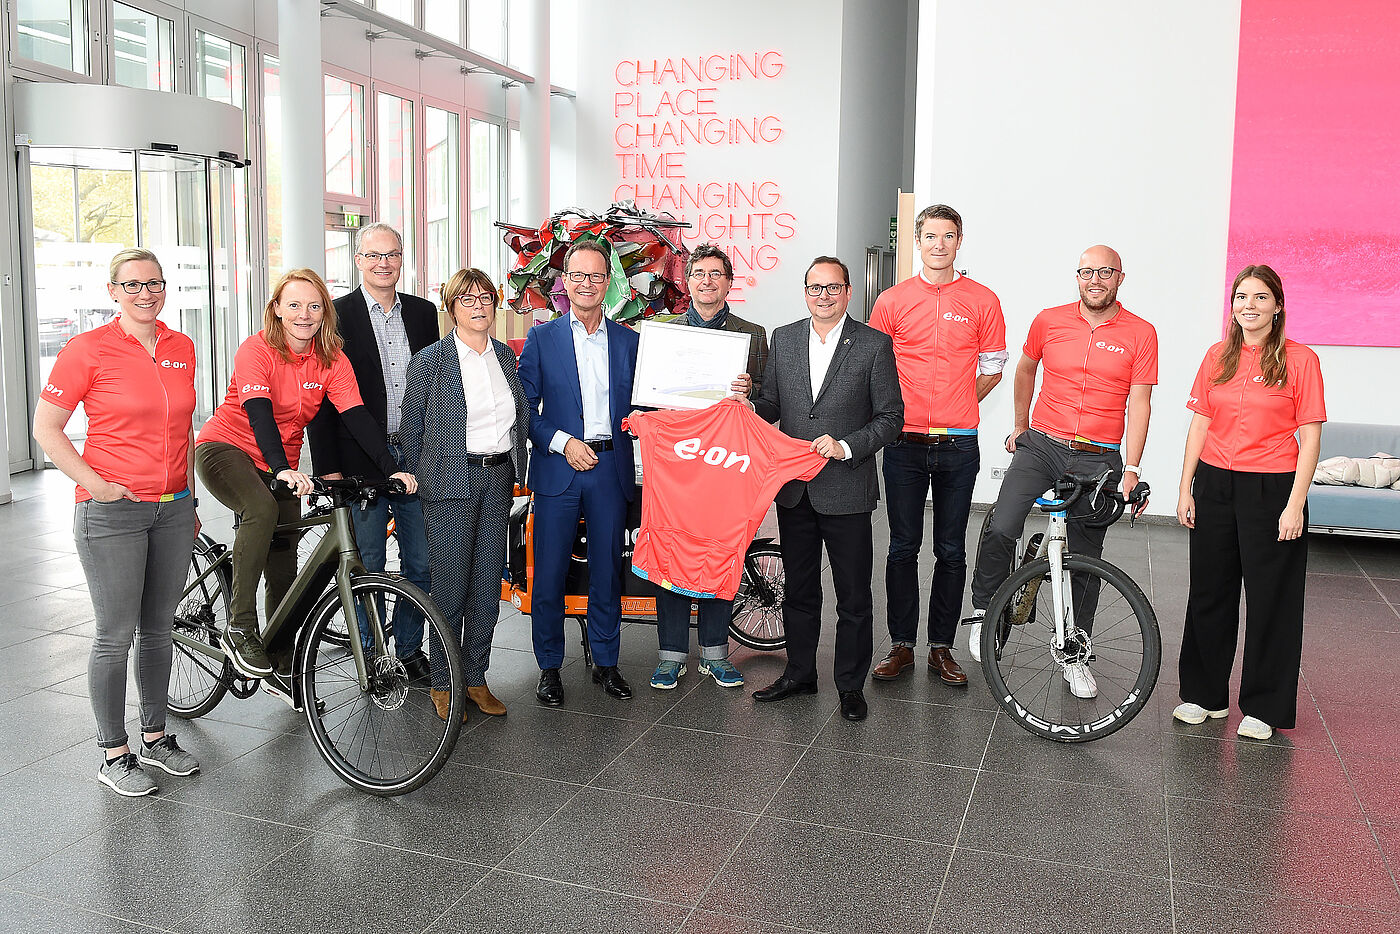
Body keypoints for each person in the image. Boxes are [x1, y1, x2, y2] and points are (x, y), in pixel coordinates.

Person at [195, 268, 417, 692]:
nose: (304, 314)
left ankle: (278, 657)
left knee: (283, 566)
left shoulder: (331, 358)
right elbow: (260, 416)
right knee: (259, 508)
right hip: (226, 448)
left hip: (282, 464)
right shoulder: (256, 350)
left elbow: (357, 418)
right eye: (294, 304)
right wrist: (280, 469)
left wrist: (392, 468)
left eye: (314, 306)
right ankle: (240, 628)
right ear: (277, 309)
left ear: (325, 314)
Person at [33, 248, 201, 796]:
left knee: (159, 629)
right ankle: (114, 751)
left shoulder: (181, 347)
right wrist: (98, 485)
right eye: (133, 286)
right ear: (113, 292)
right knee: (115, 634)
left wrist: (191, 501)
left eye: (154, 284)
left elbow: (184, 434)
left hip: (172, 508)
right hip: (112, 511)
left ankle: (155, 737)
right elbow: (48, 429)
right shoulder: (87, 351)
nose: (146, 293)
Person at [967, 246, 1156, 700]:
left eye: (1105, 272)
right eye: (1087, 271)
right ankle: (983, 612)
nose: (1096, 279)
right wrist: (1019, 425)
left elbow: (1141, 403)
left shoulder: (1141, 333)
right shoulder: (1049, 320)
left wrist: (1131, 468)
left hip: (1099, 458)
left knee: (1086, 560)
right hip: (1044, 445)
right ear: (1077, 277)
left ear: (1120, 278)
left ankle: (1075, 652)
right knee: (1002, 524)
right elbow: (1026, 368)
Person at [749, 256, 903, 721]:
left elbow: (891, 419)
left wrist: (846, 446)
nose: (824, 295)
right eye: (815, 287)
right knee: (798, 590)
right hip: (795, 490)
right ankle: (799, 673)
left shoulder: (874, 345)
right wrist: (745, 401)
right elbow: (772, 405)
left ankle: (850, 686)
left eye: (833, 287)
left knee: (853, 595)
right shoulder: (785, 338)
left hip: (846, 490)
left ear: (849, 292)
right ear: (805, 292)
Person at [1174, 265, 1324, 741]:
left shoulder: (1300, 360)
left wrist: (1296, 503)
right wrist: (1185, 487)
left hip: (1273, 488)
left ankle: (1263, 705)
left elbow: (1311, 434)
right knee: (1209, 594)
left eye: (1260, 297)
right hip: (1215, 484)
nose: (1249, 306)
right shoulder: (1217, 356)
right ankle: (1204, 695)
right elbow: (1199, 424)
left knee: (1271, 601)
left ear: (1277, 306)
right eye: (1241, 296)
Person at [869, 204, 1007, 687]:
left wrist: (959, 399)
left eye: (948, 236)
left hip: (958, 443)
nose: (939, 244)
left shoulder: (983, 300)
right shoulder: (890, 301)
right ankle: (901, 644)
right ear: (918, 240)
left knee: (950, 549)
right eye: (930, 236)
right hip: (903, 443)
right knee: (903, 547)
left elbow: (993, 366)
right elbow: (875, 369)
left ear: (959, 240)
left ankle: (941, 648)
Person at [308, 223, 438, 681]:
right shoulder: (333, 316)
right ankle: (371, 653)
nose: (384, 263)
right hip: (360, 459)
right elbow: (322, 399)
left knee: (422, 561)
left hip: (417, 457)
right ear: (358, 260)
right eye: (374, 255)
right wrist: (328, 468)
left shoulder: (424, 314)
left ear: (403, 260)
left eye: (393, 254)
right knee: (369, 562)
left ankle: (408, 649)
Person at [400, 268, 527, 720]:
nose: (478, 306)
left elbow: (517, 420)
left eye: (486, 298)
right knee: (450, 591)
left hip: (497, 480)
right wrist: (420, 480)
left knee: (487, 589)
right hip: (449, 484)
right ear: (451, 307)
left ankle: (475, 677)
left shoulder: (506, 358)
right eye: (467, 299)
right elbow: (411, 430)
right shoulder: (431, 360)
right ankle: (442, 680)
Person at [518, 239, 640, 706]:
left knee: (608, 572)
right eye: (579, 275)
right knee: (548, 574)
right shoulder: (541, 339)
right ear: (565, 282)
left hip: (610, 467)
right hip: (558, 467)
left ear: (608, 283)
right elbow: (524, 407)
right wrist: (562, 442)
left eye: (596, 276)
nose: (587, 284)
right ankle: (549, 668)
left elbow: (645, 404)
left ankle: (606, 664)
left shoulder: (629, 341)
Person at [648, 243, 768, 691]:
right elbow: (650, 399)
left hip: (726, 466)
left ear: (729, 282)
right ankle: (671, 655)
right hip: (679, 465)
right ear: (687, 280)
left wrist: (750, 395)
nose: (706, 281)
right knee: (673, 551)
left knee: (722, 551)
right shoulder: (666, 334)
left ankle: (716, 653)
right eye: (698, 273)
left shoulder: (753, 335)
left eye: (716, 274)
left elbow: (769, 406)